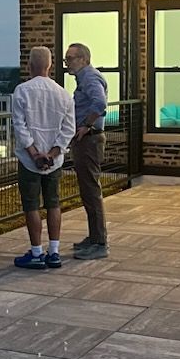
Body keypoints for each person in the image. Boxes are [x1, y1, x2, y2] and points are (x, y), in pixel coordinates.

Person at [11, 46, 75, 270]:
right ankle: (54, 251)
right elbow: (68, 129)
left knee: (31, 206)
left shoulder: (22, 91)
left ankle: (37, 252)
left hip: (29, 161)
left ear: (29, 66)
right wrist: (52, 153)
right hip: (54, 160)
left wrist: (34, 153)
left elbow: (20, 127)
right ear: (50, 65)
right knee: (53, 203)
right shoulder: (63, 93)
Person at [64, 42, 109, 260]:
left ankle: (99, 243)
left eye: (70, 58)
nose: (67, 63)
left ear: (84, 59)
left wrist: (86, 125)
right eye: (66, 59)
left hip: (89, 140)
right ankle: (94, 237)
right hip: (86, 140)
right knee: (88, 191)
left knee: (91, 191)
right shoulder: (85, 78)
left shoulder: (90, 78)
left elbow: (100, 103)